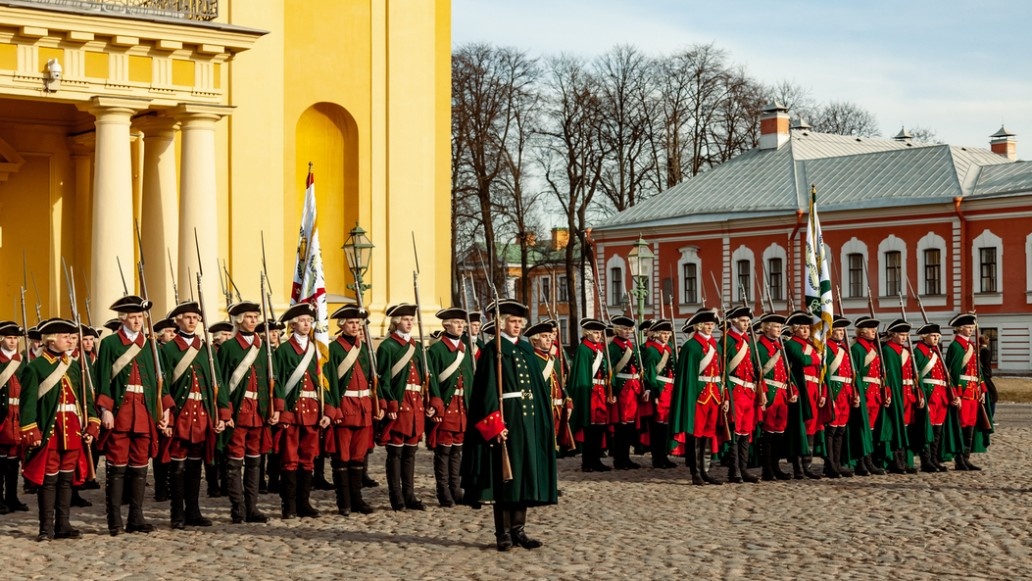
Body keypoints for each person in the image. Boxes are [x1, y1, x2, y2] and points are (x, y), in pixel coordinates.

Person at [460, 300, 557, 551]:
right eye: (512, 322)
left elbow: (536, 389)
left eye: (519, 323)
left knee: (523, 476)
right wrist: (495, 424)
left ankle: (519, 529)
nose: (516, 326)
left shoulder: (525, 351)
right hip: (507, 423)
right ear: (502, 323)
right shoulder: (494, 350)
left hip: (527, 423)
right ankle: (502, 532)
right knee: (504, 478)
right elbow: (486, 392)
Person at [94, 295, 174, 536]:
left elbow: (161, 380)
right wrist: (106, 409)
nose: (138, 321)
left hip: (144, 411)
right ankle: (115, 520)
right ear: (123, 318)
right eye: (134, 317)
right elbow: (102, 380)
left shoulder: (150, 344)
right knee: (117, 467)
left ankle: (136, 517)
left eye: (141, 317)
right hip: (121, 411)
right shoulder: (109, 344)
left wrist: (165, 409)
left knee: (140, 466)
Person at [19, 318, 101, 541]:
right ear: (51, 340)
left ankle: (63, 524)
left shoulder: (74, 366)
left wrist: (92, 424)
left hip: (73, 429)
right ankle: (46, 528)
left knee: (66, 480)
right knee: (49, 480)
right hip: (50, 430)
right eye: (66, 337)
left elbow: (86, 400)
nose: (70, 341)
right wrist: (31, 430)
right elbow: (27, 404)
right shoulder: (35, 367)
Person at [160, 301, 231, 529]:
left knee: (195, 464)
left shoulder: (206, 349)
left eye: (195, 317)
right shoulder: (168, 350)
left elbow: (217, 382)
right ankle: (177, 514)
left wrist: (222, 413)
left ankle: (193, 511)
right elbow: (164, 388)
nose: (192, 321)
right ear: (177, 320)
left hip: (202, 414)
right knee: (178, 466)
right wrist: (168, 417)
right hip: (181, 415)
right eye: (188, 317)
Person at [217, 300, 275, 523]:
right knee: (235, 461)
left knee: (255, 460)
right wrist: (225, 412)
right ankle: (237, 507)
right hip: (239, 411)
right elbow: (221, 382)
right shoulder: (230, 347)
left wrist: (273, 408)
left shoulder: (263, 346)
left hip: (258, 411)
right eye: (249, 317)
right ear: (239, 320)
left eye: (255, 317)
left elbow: (272, 378)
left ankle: (252, 507)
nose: (253, 321)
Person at [273, 302, 332, 519]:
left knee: (308, 457)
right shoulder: (284, 350)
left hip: (313, 411)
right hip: (293, 411)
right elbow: (277, 382)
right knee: (290, 458)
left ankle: (304, 503)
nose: (307, 324)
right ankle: (288, 506)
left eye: (309, 321)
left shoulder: (318, 350)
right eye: (302, 321)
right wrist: (282, 410)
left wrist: (328, 411)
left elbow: (326, 383)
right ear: (293, 324)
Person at [324, 306, 382, 516]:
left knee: (359, 456)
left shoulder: (365, 348)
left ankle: (357, 499)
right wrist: (333, 409)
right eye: (351, 323)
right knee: (342, 457)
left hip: (364, 408)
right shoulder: (334, 349)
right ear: (341, 325)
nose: (356, 326)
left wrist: (379, 404)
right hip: (345, 408)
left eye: (358, 323)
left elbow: (375, 379)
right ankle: (344, 502)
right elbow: (328, 382)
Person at [375, 303, 430, 511]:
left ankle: (410, 494)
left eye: (411, 320)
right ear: (396, 321)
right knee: (396, 452)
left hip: (415, 403)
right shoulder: (388, 346)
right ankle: (395, 495)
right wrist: (389, 401)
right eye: (406, 319)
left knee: (411, 452)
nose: (410, 323)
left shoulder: (416, 347)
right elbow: (383, 378)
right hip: (400, 402)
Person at [670, 308, 729, 486]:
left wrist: (723, 395)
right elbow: (687, 377)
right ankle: (695, 472)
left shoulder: (716, 345)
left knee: (707, 435)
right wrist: (689, 398)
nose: (710, 327)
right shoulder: (691, 346)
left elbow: (720, 372)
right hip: (698, 396)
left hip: (714, 395)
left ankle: (705, 470)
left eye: (712, 324)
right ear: (698, 326)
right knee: (695, 435)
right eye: (707, 324)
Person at [426, 307, 474, 507]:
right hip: (447, 405)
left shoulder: (465, 349)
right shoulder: (436, 350)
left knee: (457, 450)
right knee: (443, 451)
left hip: (462, 406)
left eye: (462, 323)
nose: (461, 326)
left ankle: (456, 489)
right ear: (445, 325)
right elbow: (432, 380)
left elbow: (470, 378)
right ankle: (443, 491)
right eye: (456, 322)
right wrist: (436, 403)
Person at [719, 307, 762, 483]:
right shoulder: (726, 340)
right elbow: (723, 371)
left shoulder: (747, 340)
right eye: (743, 320)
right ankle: (734, 470)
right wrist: (726, 396)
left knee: (746, 432)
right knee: (735, 432)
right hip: (735, 390)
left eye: (747, 321)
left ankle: (743, 469)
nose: (746, 324)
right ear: (733, 321)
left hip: (748, 392)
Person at [945, 313, 992, 471]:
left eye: (972, 327)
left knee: (971, 425)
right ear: (959, 328)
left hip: (973, 392)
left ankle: (966, 458)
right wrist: (956, 394)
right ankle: (959, 460)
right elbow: (954, 372)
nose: (971, 330)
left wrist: (982, 389)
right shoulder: (956, 346)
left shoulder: (971, 345)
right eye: (968, 327)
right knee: (962, 425)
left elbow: (978, 371)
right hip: (963, 392)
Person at [912, 323, 961, 472]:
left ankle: (934, 458)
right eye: (933, 336)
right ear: (924, 337)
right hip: (929, 393)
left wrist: (954, 394)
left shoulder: (937, 352)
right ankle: (926, 461)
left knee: (938, 430)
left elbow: (946, 375)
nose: (936, 338)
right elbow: (917, 375)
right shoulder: (919, 352)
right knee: (928, 428)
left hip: (941, 396)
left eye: (938, 336)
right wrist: (921, 396)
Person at [755, 313, 796, 481]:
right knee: (768, 434)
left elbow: (787, 372)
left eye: (780, 327)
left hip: (781, 394)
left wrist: (792, 390)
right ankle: (767, 469)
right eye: (776, 327)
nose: (779, 330)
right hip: (770, 393)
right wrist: (762, 392)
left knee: (779, 433)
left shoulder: (781, 347)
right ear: (766, 328)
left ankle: (776, 466)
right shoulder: (760, 347)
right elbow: (759, 373)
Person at [783, 311, 824, 480]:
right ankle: (797, 467)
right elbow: (802, 360)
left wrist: (822, 392)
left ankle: (807, 464)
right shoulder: (792, 344)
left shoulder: (812, 345)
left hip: (814, 388)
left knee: (811, 428)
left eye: (808, 328)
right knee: (799, 428)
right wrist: (817, 358)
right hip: (802, 388)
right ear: (795, 329)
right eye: (802, 328)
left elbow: (820, 370)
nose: (806, 331)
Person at [567, 318, 612, 472]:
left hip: (600, 393)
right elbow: (581, 376)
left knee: (599, 429)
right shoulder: (583, 349)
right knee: (589, 429)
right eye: (595, 332)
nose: (598, 335)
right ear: (587, 333)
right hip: (590, 394)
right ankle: (587, 462)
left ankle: (596, 459)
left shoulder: (599, 349)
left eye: (599, 332)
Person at [879, 319, 917, 474]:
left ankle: (906, 460)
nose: (904, 337)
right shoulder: (889, 351)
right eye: (901, 334)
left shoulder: (906, 351)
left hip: (908, 393)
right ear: (893, 335)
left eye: (906, 334)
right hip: (898, 392)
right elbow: (889, 376)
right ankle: (896, 461)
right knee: (896, 427)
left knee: (906, 427)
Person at [823, 316, 858, 478]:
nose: (840, 333)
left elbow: (851, 373)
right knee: (831, 431)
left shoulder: (845, 348)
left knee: (840, 431)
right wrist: (828, 395)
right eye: (837, 330)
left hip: (845, 391)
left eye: (842, 330)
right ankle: (829, 465)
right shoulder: (827, 348)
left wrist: (854, 393)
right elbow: (825, 374)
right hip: (835, 391)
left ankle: (837, 463)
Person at [607, 315, 643, 470]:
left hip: (633, 388)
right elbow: (610, 371)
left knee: (629, 427)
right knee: (621, 427)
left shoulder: (631, 345)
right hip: (622, 389)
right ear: (617, 330)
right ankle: (619, 459)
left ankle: (626, 458)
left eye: (630, 329)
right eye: (624, 329)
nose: (628, 332)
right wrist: (613, 390)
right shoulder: (613, 347)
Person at [849, 316, 884, 476]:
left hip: (874, 392)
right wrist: (857, 392)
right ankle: (861, 463)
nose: (874, 332)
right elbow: (855, 374)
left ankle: (869, 461)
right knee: (862, 429)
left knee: (870, 429)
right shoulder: (857, 349)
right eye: (871, 329)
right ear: (862, 331)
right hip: (864, 391)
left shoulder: (873, 348)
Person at [0, 321, 28, 513]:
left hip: (18, 415)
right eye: (10, 338)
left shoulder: (22, 361)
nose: (13, 341)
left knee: (13, 460)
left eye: (15, 338)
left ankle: (12, 497)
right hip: (2, 415)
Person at [978, 334, 998, 417]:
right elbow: (986, 365)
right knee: (992, 396)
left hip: (980, 375)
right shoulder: (986, 351)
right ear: (987, 341)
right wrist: (988, 374)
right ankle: (990, 416)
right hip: (985, 376)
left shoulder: (977, 350)